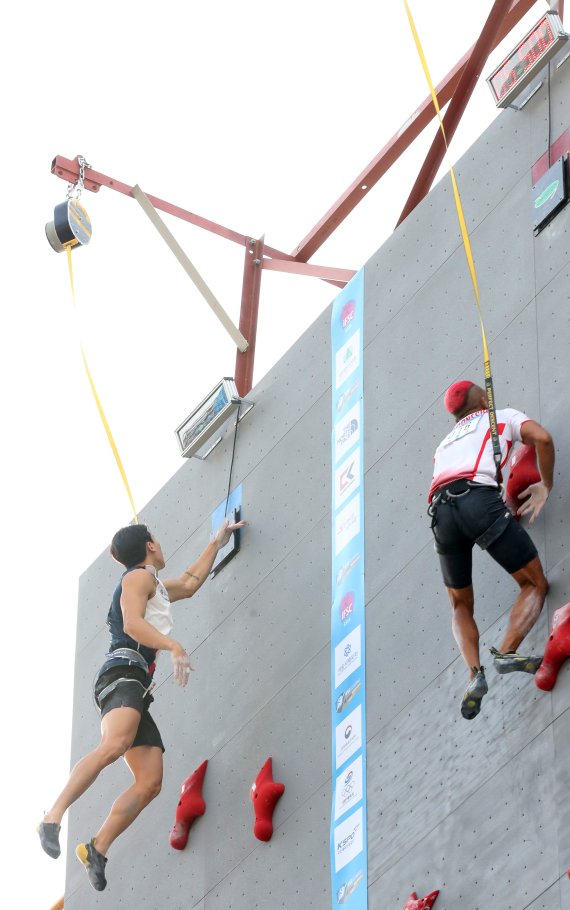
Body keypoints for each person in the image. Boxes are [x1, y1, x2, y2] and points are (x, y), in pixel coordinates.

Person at [38, 517, 244, 891]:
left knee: (150, 782)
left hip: (135, 684)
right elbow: (133, 624)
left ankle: (97, 848)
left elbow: (191, 582)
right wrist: (174, 646)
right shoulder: (138, 579)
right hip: (122, 673)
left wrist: (218, 540)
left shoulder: (154, 586)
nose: (161, 544)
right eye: (157, 539)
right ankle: (52, 818)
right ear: (150, 544)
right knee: (114, 746)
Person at [428, 380, 554, 720]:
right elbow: (542, 438)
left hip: (440, 512)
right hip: (477, 499)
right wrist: (545, 485)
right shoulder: (500, 416)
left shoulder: (443, 445)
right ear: (484, 399)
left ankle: (474, 674)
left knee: (459, 604)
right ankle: (507, 651)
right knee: (533, 583)